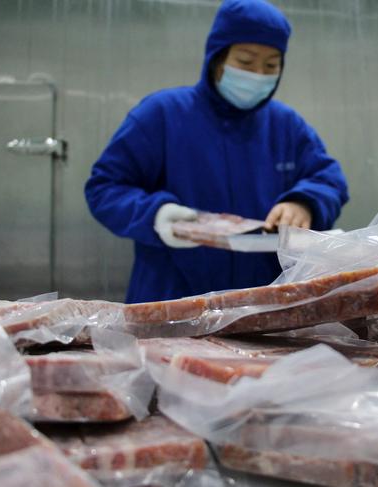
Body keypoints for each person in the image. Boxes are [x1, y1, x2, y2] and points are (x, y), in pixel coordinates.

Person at [85, 0, 348, 304]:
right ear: (217, 58)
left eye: (271, 65)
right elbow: (105, 187)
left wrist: (304, 204)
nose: (258, 75)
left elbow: (328, 179)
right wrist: (156, 215)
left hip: (261, 304)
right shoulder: (162, 115)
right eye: (246, 62)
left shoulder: (286, 125)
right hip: (170, 300)